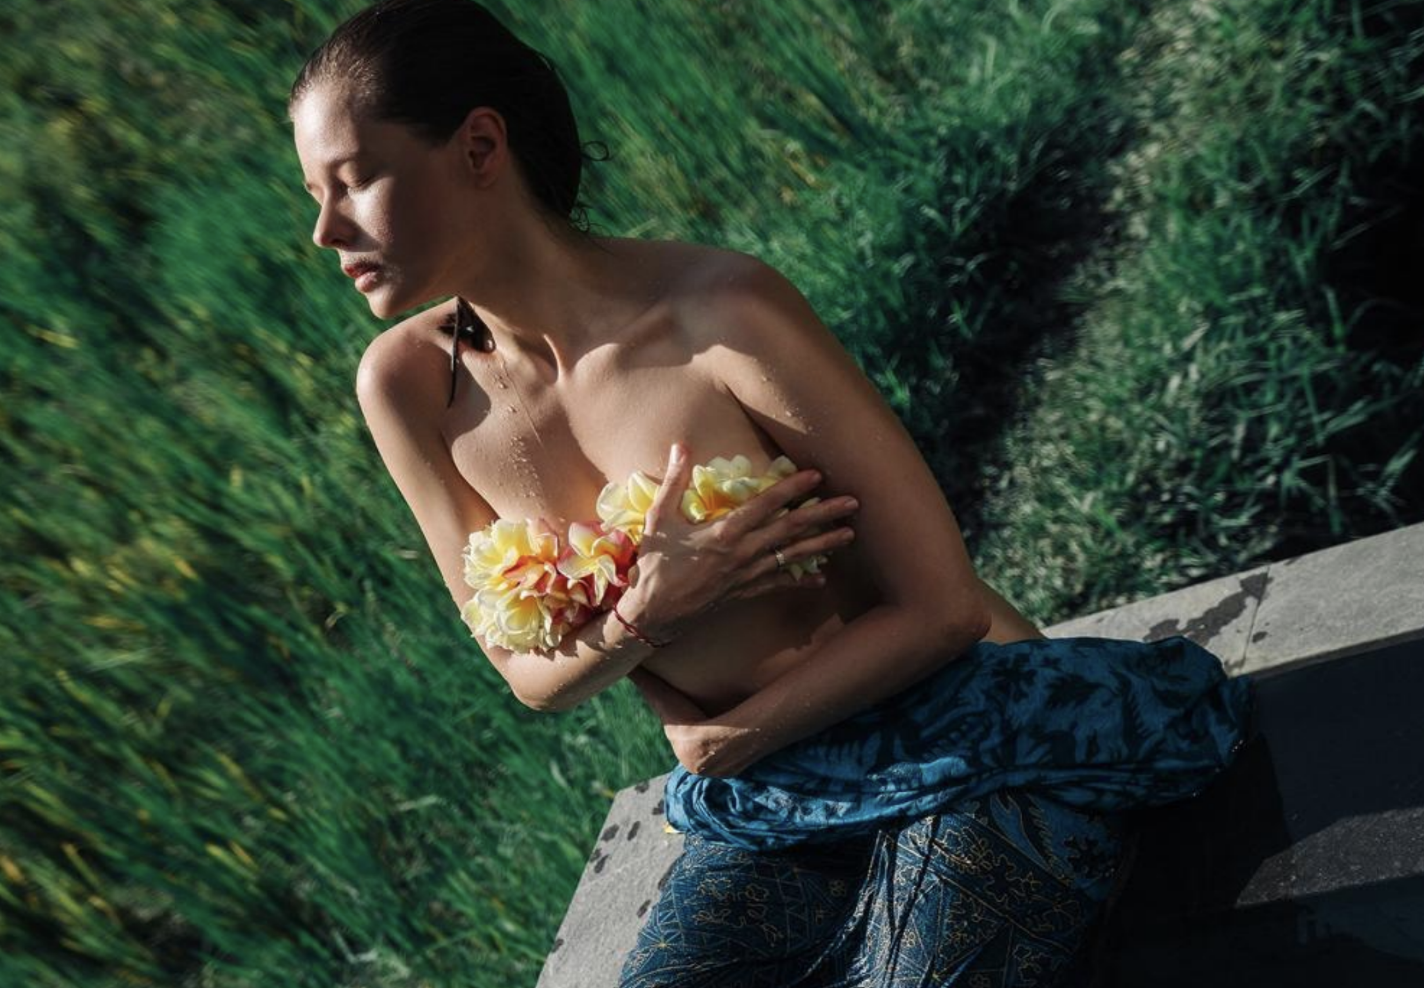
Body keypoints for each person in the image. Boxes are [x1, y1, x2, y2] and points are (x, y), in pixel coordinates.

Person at [289, 2, 1255, 984]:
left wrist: (718, 741)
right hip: (769, 802)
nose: (325, 231)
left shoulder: (719, 314)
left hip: (973, 731)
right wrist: (648, 615)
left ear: (479, 146)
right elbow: (524, 672)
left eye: (353, 182)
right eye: (315, 194)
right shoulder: (408, 388)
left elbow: (944, 609)